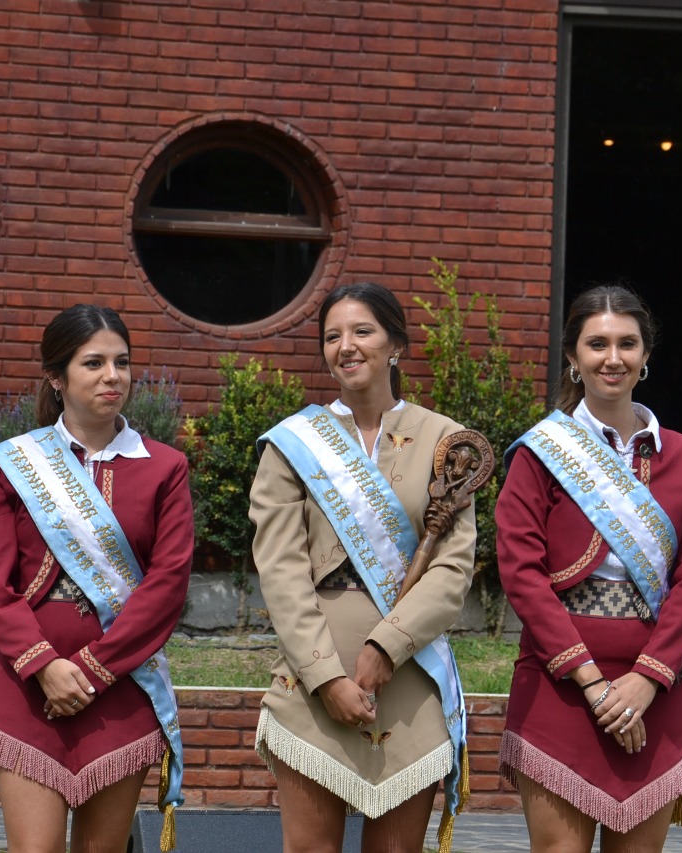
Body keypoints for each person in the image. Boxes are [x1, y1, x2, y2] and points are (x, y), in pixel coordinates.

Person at [249, 282, 477, 853]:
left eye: (362, 331)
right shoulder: (292, 444)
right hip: (311, 674)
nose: (345, 346)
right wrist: (326, 677)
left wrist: (385, 648)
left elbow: (451, 570)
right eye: (332, 336)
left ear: (396, 344)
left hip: (409, 675)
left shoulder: (445, 441)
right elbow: (280, 570)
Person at [495, 284, 682, 853]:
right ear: (573, 355)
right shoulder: (539, 453)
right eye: (597, 344)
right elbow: (521, 574)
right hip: (561, 679)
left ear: (645, 355)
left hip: (654, 682)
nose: (612, 358)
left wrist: (647, 679)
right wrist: (593, 683)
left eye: (627, 344)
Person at [0, 304, 193, 853]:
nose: (112, 376)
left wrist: (93, 670)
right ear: (56, 376)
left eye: (122, 362)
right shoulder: (10, 465)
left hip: (119, 690)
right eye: (93, 363)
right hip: (28, 688)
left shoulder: (165, 467)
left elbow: (166, 585)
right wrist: (45, 666)